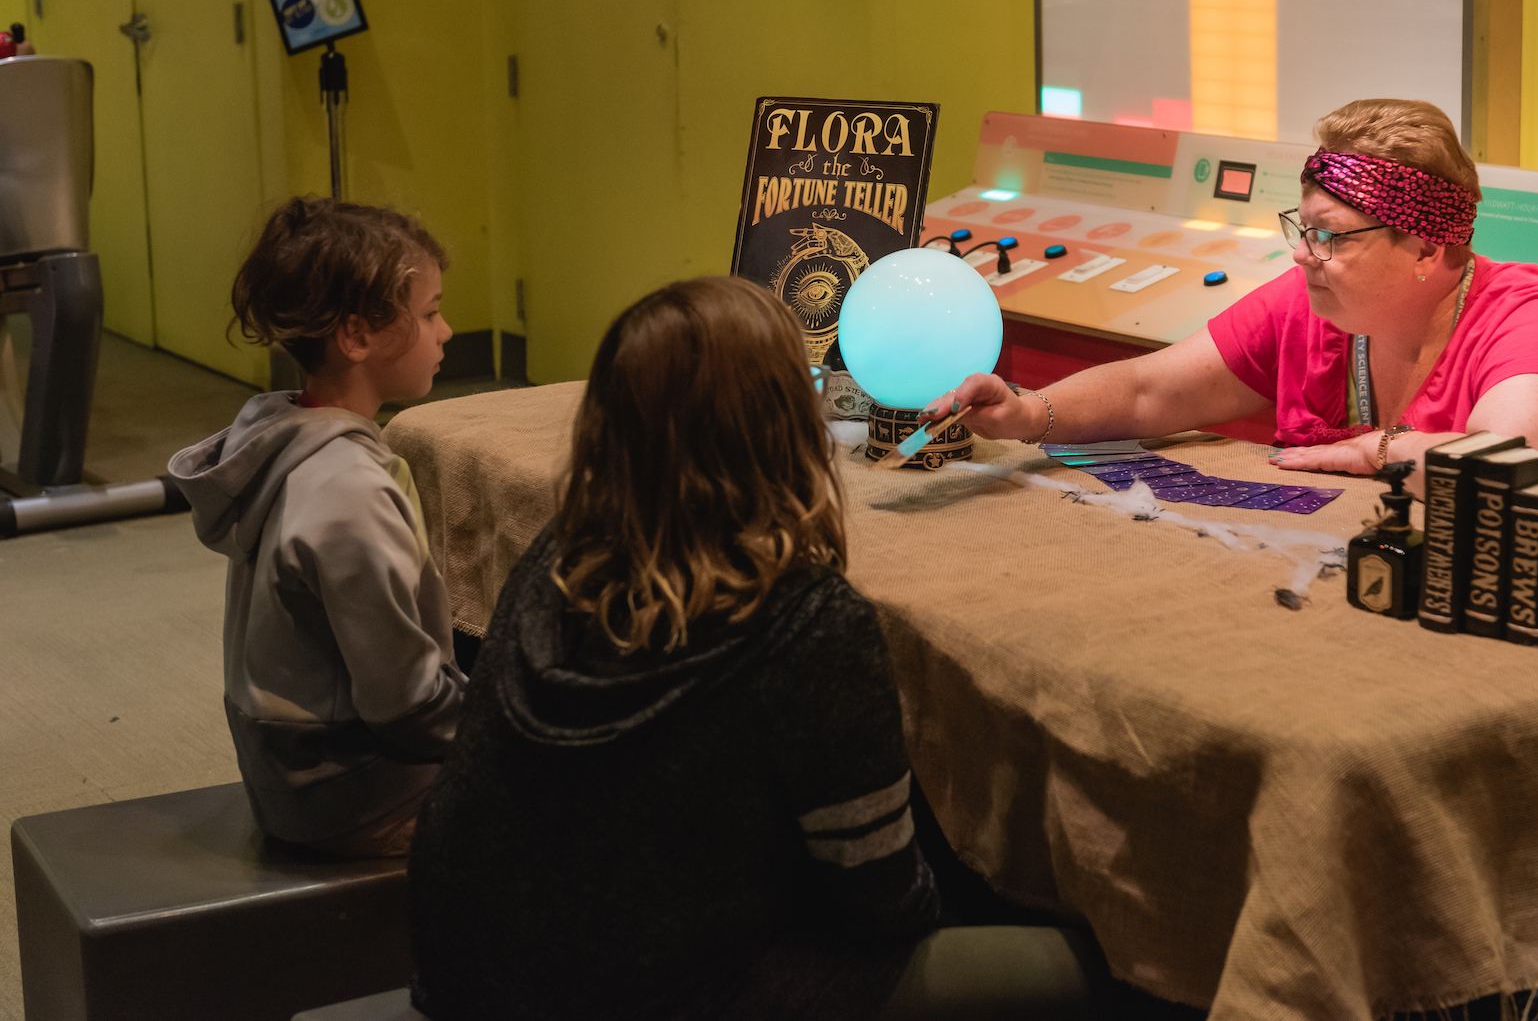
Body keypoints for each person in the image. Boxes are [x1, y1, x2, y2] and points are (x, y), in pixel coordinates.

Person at [406, 277, 1104, 1021]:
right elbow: (882, 906)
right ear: (785, 426)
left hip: (468, 968)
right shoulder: (810, 623)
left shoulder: (559, 554)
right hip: (666, 991)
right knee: (1086, 971)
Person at [937, 99, 1538, 533]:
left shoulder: (1527, 313)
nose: (1305, 255)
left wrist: (1378, 452)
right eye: (1301, 228)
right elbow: (1152, 390)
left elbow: (1513, 470)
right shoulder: (1310, 301)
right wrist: (1030, 415)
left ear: (1427, 246)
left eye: (1332, 235)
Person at [169, 197, 465, 857]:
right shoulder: (350, 489)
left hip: (289, 774)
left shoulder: (282, 437)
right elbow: (407, 706)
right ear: (357, 336)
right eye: (429, 312)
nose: (446, 331)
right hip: (353, 793)